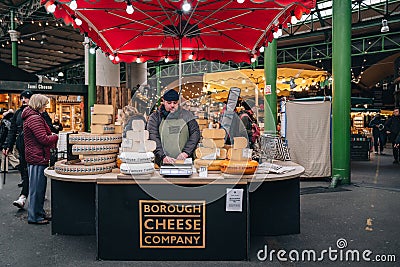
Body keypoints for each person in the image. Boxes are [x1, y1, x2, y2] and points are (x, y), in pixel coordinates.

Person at [22, 94, 58, 224]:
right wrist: (55, 136)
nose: (45, 106)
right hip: (37, 156)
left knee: (38, 188)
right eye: (44, 104)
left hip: (36, 155)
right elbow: (43, 139)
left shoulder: (32, 117)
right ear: (39, 104)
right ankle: (35, 216)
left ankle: (39, 213)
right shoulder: (34, 119)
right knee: (37, 189)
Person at [147, 89, 200, 166]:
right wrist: (163, 156)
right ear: (163, 101)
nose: (172, 105)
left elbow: (195, 133)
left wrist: (186, 153)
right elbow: (153, 136)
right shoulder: (155, 117)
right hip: (162, 163)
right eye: (169, 103)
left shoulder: (187, 115)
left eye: (175, 103)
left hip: (185, 162)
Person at [2, 89, 33, 209]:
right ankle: (23, 196)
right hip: (22, 145)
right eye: (22, 98)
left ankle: (30, 194)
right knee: (26, 172)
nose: (24, 100)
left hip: (35, 147)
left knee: (35, 173)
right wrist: (7, 145)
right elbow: (12, 130)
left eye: (27, 97)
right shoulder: (17, 114)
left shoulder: (38, 112)